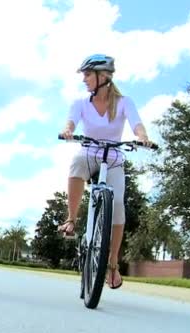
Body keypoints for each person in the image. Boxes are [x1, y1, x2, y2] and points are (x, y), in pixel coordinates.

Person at [58, 54, 154, 289]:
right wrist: (68, 130)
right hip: (89, 153)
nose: (84, 80)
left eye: (88, 75)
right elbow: (70, 122)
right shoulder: (80, 103)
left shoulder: (124, 102)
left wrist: (142, 137)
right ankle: (71, 218)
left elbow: (137, 124)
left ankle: (112, 263)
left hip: (113, 158)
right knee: (77, 163)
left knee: (118, 205)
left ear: (104, 77)